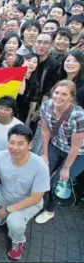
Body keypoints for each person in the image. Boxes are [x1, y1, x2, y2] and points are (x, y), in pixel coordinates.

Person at [0, 124, 50, 260]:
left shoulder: (40, 167)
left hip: (28, 202)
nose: (14, 148)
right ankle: (3, 218)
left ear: (30, 144)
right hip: (3, 197)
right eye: (11, 142)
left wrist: (8, 209)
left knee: (15, 222)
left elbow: (35, 198)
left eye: (20, 144)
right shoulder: (1, 156)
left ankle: (18, 240)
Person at [35, 80, 84, 224]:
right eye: (56, 92)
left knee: (60, 181)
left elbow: (76, 146)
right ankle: (34, 199)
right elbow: (45, 131)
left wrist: (66, 168)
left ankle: (50, 210)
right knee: (42, 170)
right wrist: (44, 154)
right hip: (57, 145)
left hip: (79, 153)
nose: (58, 97)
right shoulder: (47, 105)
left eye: (64, 94)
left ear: (71, 97)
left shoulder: (78, 115)